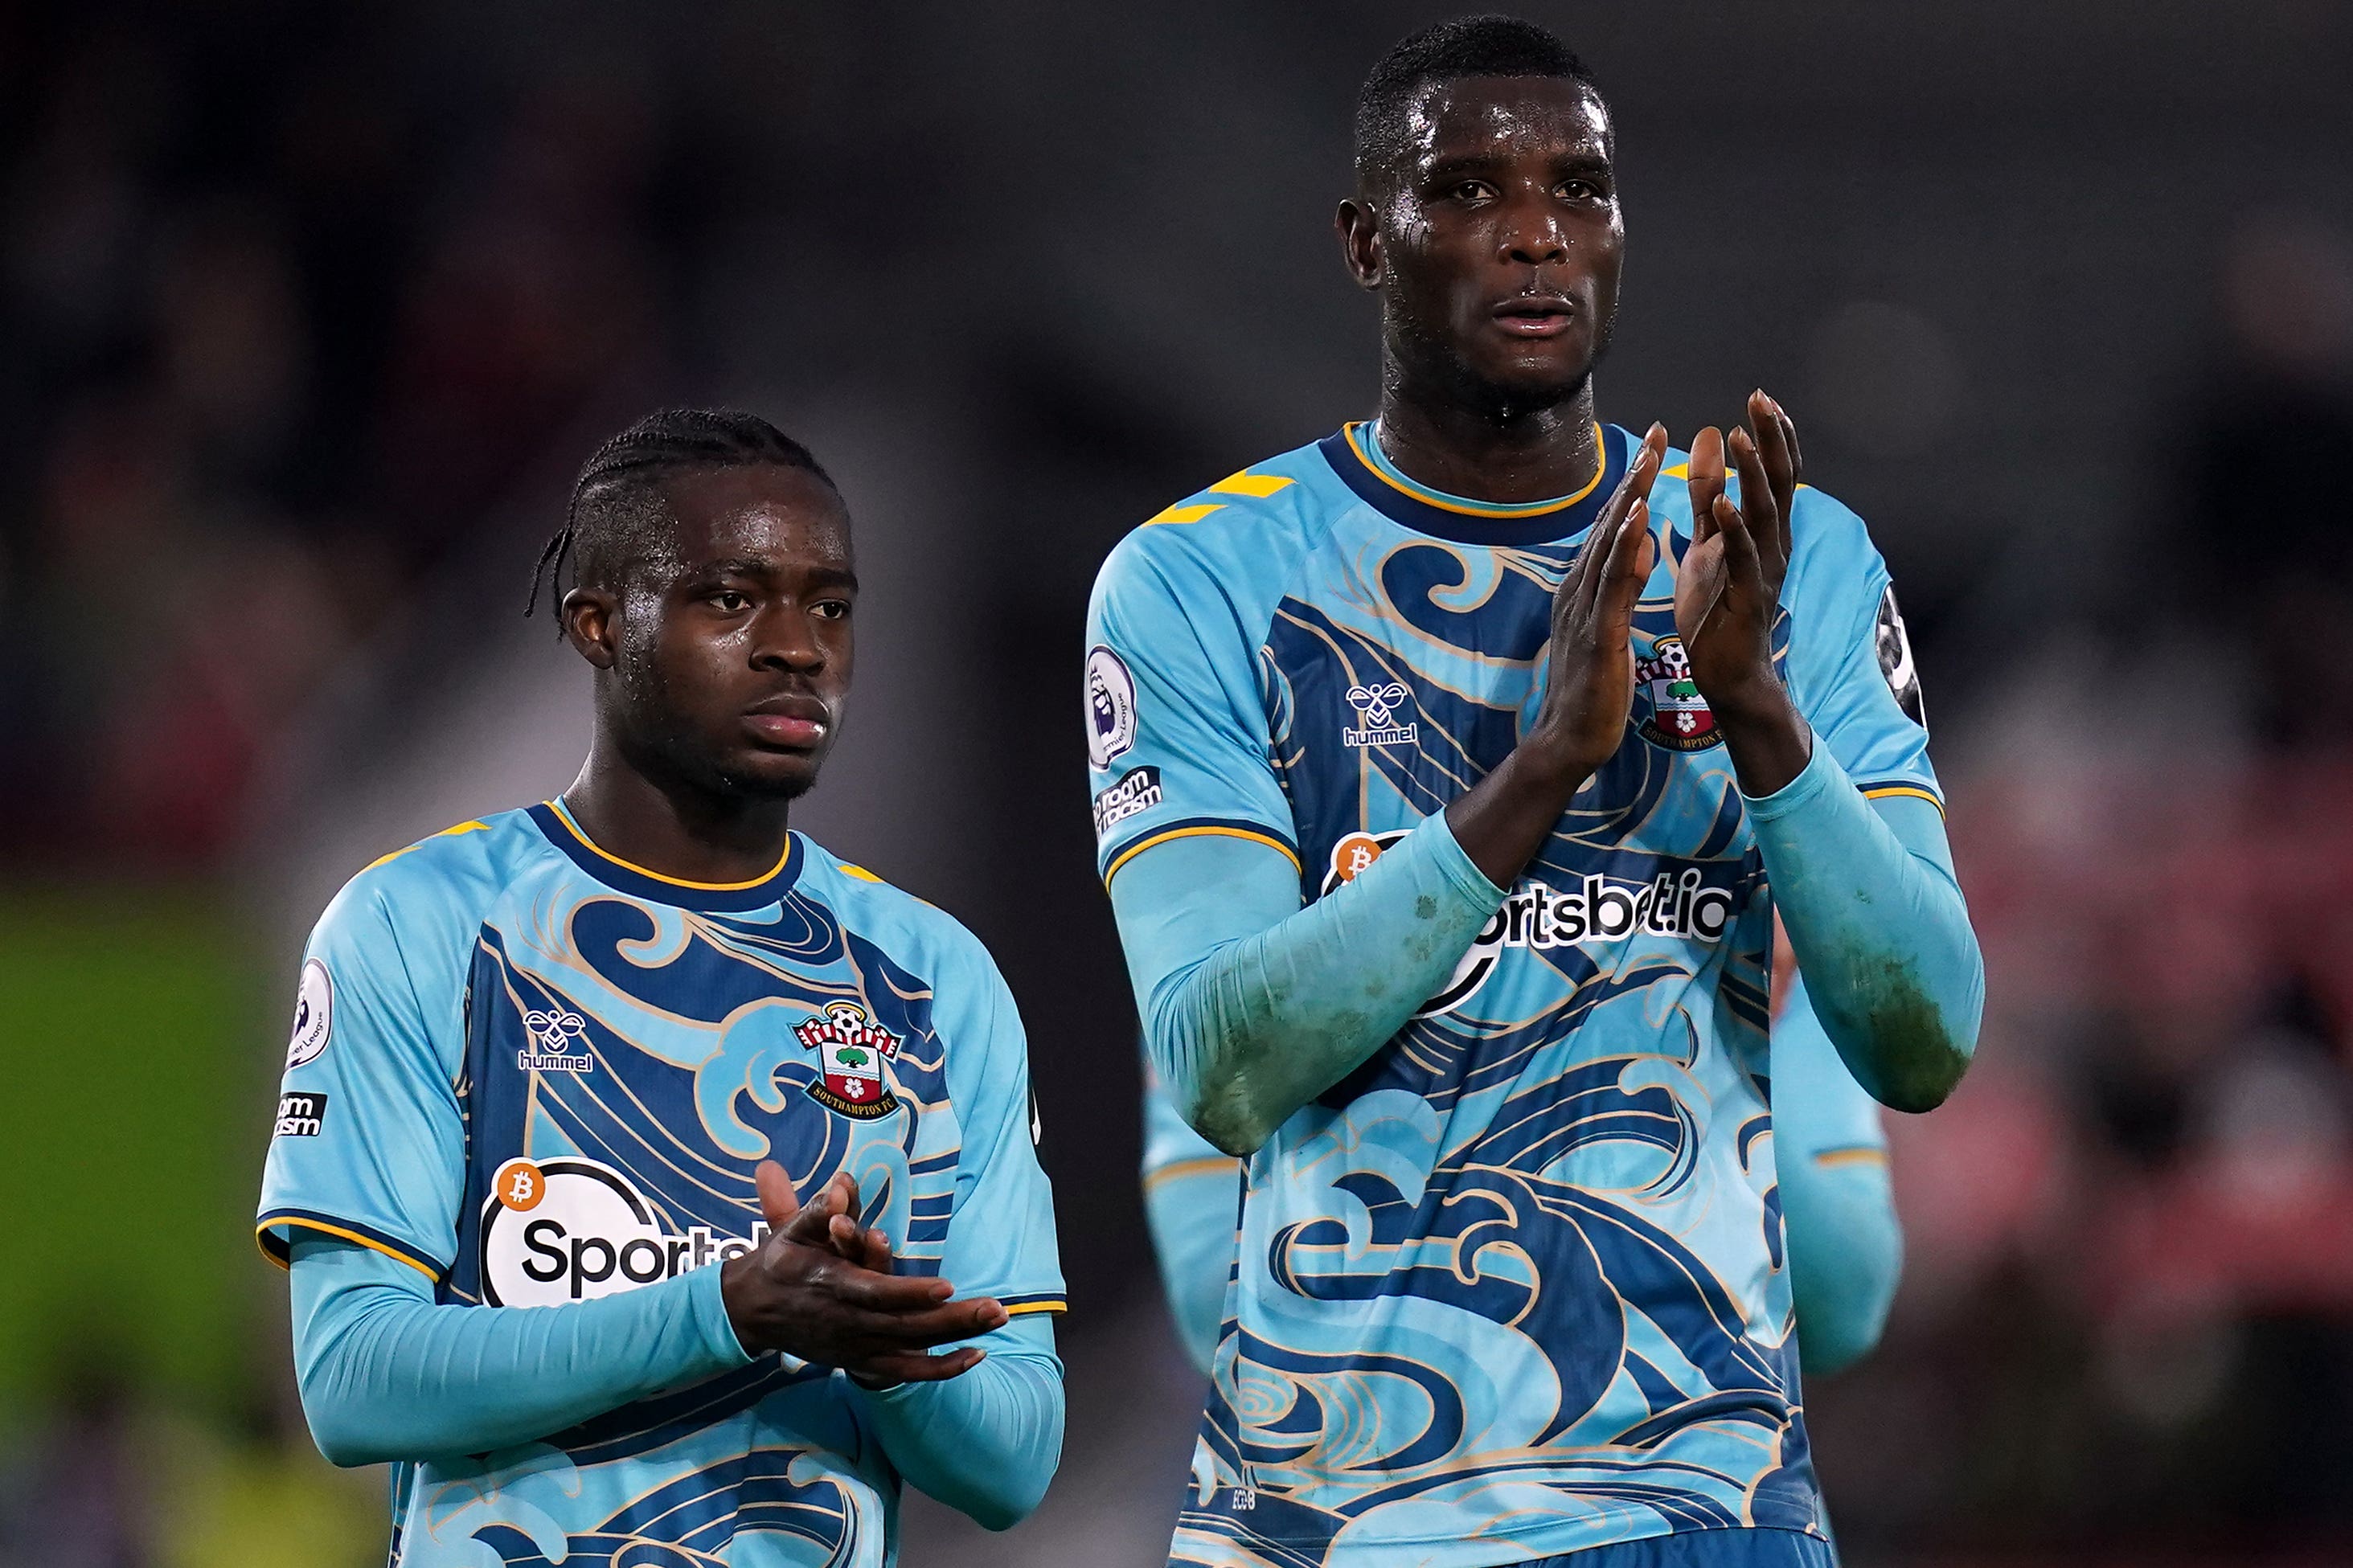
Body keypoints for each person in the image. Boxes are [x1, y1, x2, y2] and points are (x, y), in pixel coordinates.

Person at [1084, 18, 1980, 1568]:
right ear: (1366, 241)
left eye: (1580, 187)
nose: (1534, 233)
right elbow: (1222, 1059)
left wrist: (1755, 707)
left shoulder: (1790, 560)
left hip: (1703, 1502)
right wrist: (1541, 770)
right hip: (1341, 1517)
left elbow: (1925, 1037)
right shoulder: (1199, 580)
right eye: (1468, 189)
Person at [257, 409, 1065, 1566]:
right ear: (597, 621)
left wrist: (880, 1345)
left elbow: (1013, 1460)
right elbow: (350, 1380)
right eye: (731, 599)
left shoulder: (935, 980)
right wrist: (728, 1309)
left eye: (829, 605)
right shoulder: (419, 924)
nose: (798, 646)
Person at [1140, 931, 1905, 1382]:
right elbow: (1221, 1300)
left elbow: (1842, 1298)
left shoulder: (1733, 857)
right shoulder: (1276, 877)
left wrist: (1704, 1051)